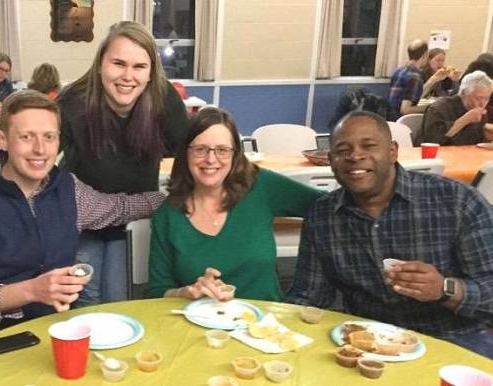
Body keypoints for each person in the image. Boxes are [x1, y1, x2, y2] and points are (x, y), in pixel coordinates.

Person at [0, 90, 165, 335]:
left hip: (60, 331)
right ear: (2, 139)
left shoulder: (67, 187)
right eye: (26, 137)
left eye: (49, 137)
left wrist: (174, 200)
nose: (40, 149)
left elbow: (120, 208)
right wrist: (33, 290)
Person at [285, 111, 493, 358]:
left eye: (369, 146)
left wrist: (443, 288)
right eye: (342, 150)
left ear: (393, 151)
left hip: (453, 339)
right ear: (330, 160)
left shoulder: (456, 201)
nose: (355, 156)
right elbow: (309, 297)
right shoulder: (323, 216)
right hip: (367, 344)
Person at [57, 21, 188, 306]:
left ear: (151, 72)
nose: (128, 76)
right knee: (85, 299)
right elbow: (47, 173)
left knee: (122, 299)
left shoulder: (165, 100)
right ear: (101, 63)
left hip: (134, 221)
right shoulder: (72, 102)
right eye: (118, 63)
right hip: (85, 221)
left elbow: (190, 159)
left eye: (139, 67)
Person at [146, 108, 324, 301]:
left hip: (264, 324)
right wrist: (186, 292)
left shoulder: (261, 185)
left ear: (235, 154)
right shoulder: (167, 214)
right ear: (185, 153)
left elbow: (328, 206)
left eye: (222, 150)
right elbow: (158, 290)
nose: (211, 159)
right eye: (200, 149)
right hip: (199, 323)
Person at [420, 70, 493, 145]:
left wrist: (487, 137)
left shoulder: (481, 113)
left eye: (486, 98)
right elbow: (433, 140)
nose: (482, 103)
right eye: (478, 98)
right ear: (463, 93)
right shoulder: (439, 108)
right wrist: (465, 120)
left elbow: (477, 143)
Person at [388, 39, 430, 117]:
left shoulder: (398, 71)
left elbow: (414, 93)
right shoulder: (415, 76)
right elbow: (405, 110)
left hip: (389, 116)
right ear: (424, 55)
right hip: (400, 119)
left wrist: (435, 78)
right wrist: (429, 107)